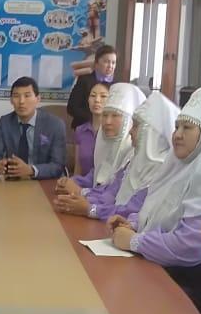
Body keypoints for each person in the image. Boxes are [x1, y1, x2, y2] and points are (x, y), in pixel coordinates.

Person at [109, 87, 201, 314]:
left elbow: (191, 246)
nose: (177, 135)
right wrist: (134, 224)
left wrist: (135, 241)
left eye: (187, 128)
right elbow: (161, 210)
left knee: (119, 301)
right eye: (176, 127)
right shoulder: (181, 168)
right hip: (173, 274)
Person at [53, 83, 145, 219]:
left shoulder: (131, 152)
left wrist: (83, 194)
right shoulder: (108, 142)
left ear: (130, 120)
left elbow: (113, 195)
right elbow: (97, 174)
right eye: (105, 115)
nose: (107, 121)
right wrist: (71, 182)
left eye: (115, 116)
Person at [0, 77, 67, 180]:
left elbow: (58, 166)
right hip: (15, 182)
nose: (21, 101)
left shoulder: (55, 124)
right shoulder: (5, 122)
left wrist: (31, 170)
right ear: (11, 100)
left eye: (27, 96)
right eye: (16, 96)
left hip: (45, 181)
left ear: (38, 99)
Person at [67, 45, 116, 130]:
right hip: (83, 126)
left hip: (107, 128)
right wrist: (95, 118)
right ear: (96, 63)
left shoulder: (116, 85)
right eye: (106, 62)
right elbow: (72, 108)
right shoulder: (84, 80)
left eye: (113, 62)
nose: (110, 66)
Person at [73, 82, 111, 176]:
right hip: (81, 183)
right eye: (93, 95)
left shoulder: (112, 131)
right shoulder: (80, 130)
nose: (97, 100)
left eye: (103, 96)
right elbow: (78, 169)